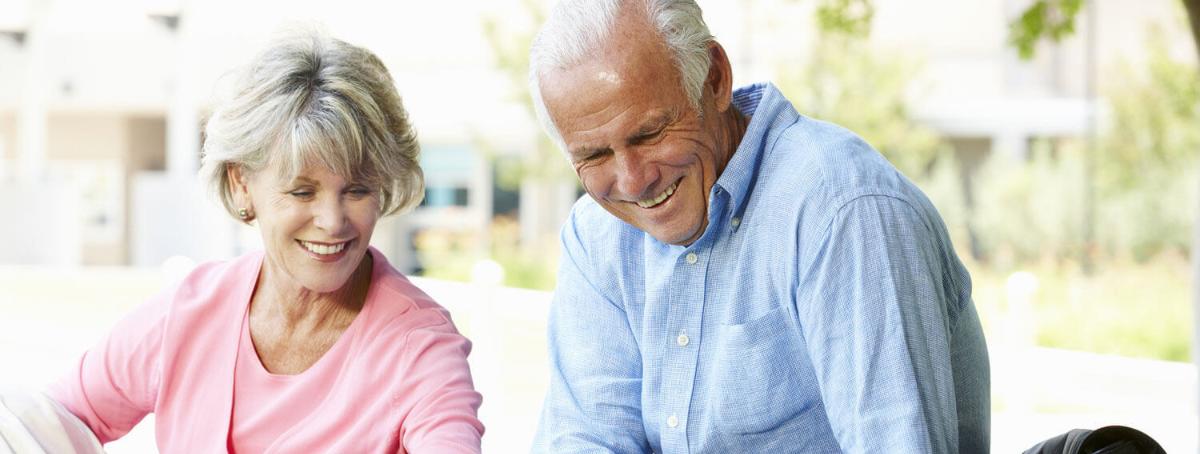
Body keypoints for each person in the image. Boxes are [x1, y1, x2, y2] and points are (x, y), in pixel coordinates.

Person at [528, 1, 989, 452]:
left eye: (649, 134)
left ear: (714, 79)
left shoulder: (842, 209)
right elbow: (585, 436)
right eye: (595, 156)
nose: (633, 181)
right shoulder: (597, 234)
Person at [45, 31, 484, 453]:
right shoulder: (189, 314)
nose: (332, 222)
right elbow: (50, 423)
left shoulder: (419, 346)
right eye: (301, 191)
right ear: (241, 184)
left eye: (357, 190)